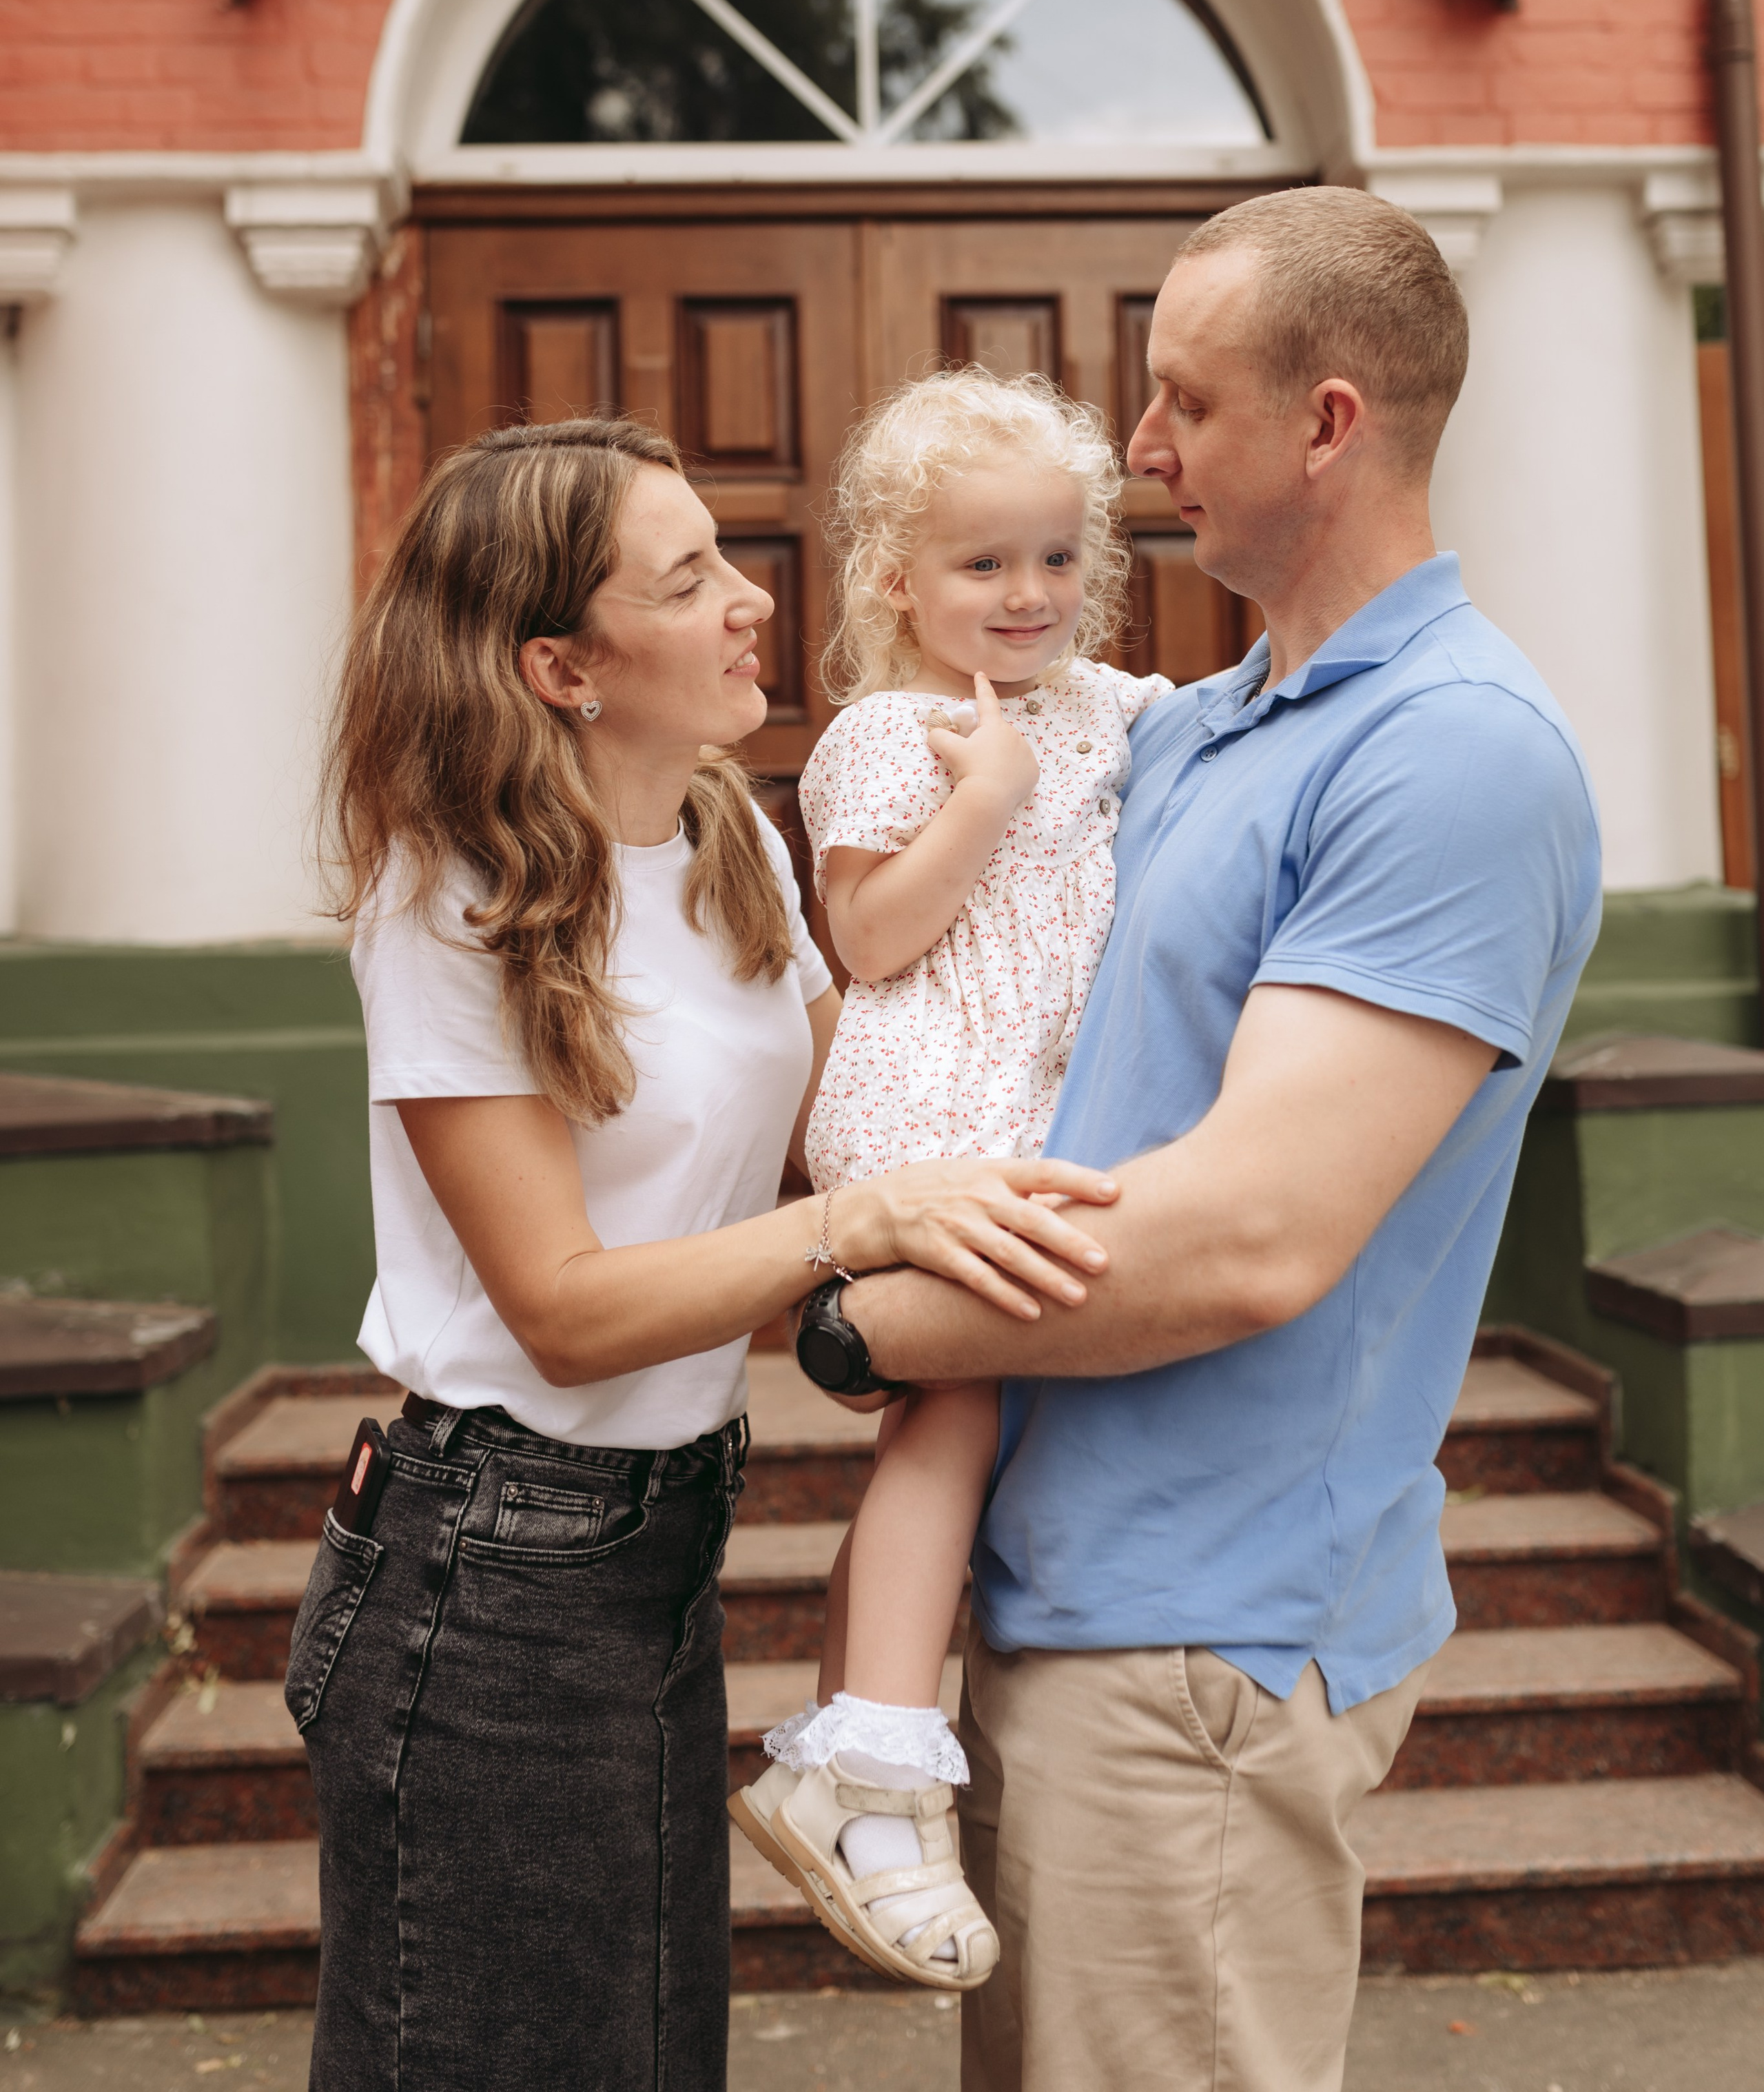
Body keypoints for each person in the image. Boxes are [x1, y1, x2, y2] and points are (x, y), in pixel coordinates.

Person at [826, 189, 1603, 2092]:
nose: (1144, 449)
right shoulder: (1193, 729)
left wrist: (859, 1323)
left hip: (1202, 1645)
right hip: (1063, 1585)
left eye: (1185, 403)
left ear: (1329, 422)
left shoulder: (1453, 748)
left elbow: (1252, 1231)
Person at [289, 416, 1118, 2092]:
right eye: (686, 581)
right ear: (561, 665)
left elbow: (850, 1122)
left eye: (727, 556)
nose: (752, 601)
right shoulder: (451, 901)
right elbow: (569, 1309)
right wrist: (860, 1227)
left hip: (660, 1555)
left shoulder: (730, 837)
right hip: (486, 1577)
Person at [730, 371, 1171, 1990]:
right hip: (935, 1110)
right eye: (984, 566)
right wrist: (979, 798)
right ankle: (877, 1761)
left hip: (1040, 1108)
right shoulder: (884, 734)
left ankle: (848, 1753)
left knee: (948, 1423)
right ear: (896, 579)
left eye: (1056, 559)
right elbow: (870, 936)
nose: (1027, 595)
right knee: (963, 1412)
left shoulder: (1101, 706)